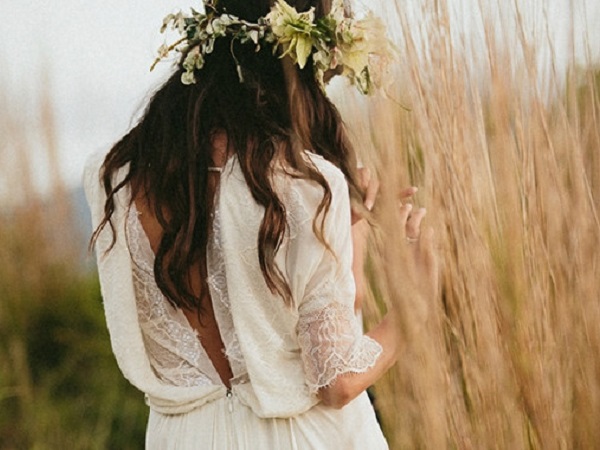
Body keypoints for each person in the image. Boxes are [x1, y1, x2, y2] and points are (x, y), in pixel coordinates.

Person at [84, 0, 436, 448]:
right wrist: (415, 301)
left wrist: (348, 227)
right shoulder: (306, 185)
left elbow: (333, 306)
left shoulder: (114, 176)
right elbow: (337, 379)